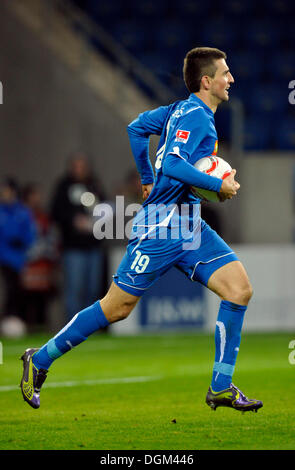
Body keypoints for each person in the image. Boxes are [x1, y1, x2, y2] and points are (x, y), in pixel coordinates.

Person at [20, 47, 263, 413]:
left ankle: (221, 387)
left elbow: (136, 128)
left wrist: (147, 177)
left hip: (189, 225)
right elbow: (178, 166)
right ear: (206, 81)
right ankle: (39, 359)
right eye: (225, 73)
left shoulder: (176, 110)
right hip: (162, 226)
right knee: (116, 308)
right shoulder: (198, 117)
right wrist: (217, 186)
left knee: (239, 289)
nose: (232, 79)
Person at [50, 153, 106, 321]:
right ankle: (71, 327)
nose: (80, 170)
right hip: (73, 248)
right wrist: (73, 221)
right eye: (77, 166)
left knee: (93, 290)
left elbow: (105, 207)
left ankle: (89, 326)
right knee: (74, 290)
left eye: (83, 166)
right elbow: (55, 212)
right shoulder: (63, 186)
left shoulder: (94, 184)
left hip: (93, 246)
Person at [20, 183, 59, 330]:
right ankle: (26, 327)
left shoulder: (44, 217)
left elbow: (52, 238)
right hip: (26, 264)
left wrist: (50, 254)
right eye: (34, 196)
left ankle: (42, 327)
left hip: (44, 264)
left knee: (43, 299)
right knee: (26, 299)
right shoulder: (22, 216)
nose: (37, 199)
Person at [0, 178, 36, 321]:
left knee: (19, 292)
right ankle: (8, 320)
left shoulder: (23, 212)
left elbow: (30, 235)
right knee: (9, 290)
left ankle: (18, 320)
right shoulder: (1, 212)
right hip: (4, 257)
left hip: (21, 259)